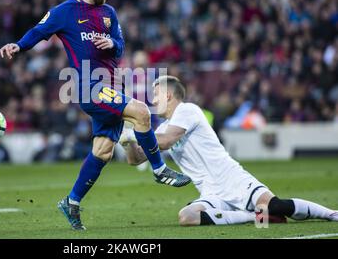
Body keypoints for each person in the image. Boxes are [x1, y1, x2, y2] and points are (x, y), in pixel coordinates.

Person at [0, 0, 191, 230]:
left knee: (102, 152)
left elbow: (121, 47)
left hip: (110, 86)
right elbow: (39, 31)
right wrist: (18, 46)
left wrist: (110, 42)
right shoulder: (64, 12)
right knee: (141, 112)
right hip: (90, 88)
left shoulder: (109, 14)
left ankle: (72, 202)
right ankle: (160, 170)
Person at [120, 75, 338, 226]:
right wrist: (128, 141)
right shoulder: (162, 128)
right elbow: (136, 159)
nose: (153, 99)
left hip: (233, 178)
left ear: (168, 95)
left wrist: (136, 134)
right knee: (187, 217)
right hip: (211, 192)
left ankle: (332, 214)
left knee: (276, 205)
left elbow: (166, 141)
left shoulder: (188, 110)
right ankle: (253, 217)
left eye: (156, 94)